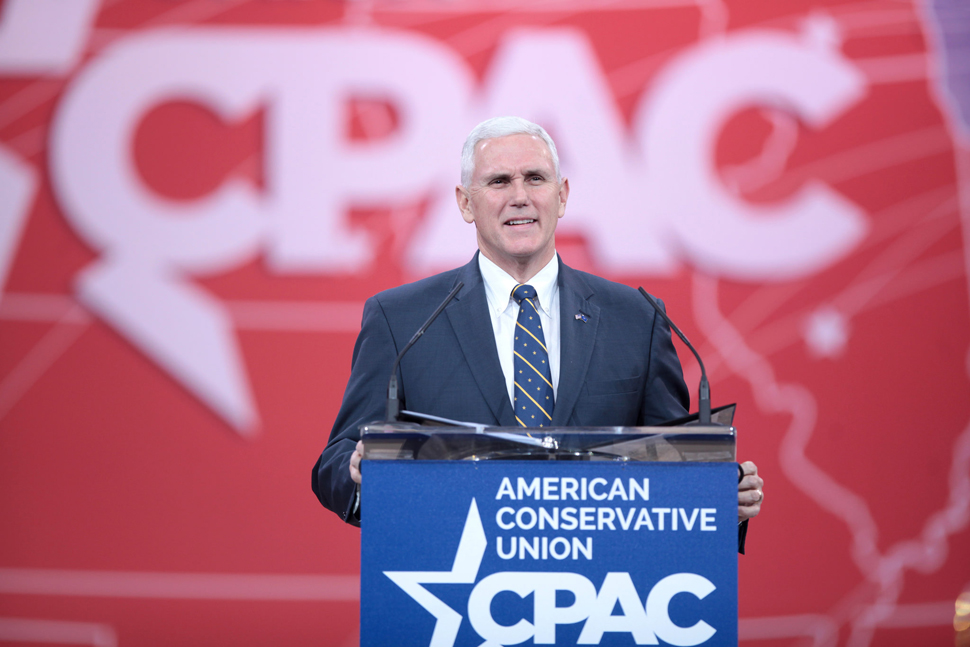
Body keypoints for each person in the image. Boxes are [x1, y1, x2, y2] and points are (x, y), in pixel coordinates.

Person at [312, 116, 764, 541]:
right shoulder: (403, 319)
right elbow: (336, 461)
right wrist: (358, 472)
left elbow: (672, 464)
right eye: (498, 181)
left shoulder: (636, 318)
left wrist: (719, 497)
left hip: (602, 579)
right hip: (454, 575)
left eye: (535, 178)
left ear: (562, 195)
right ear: (466, 203)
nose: (520, 196)